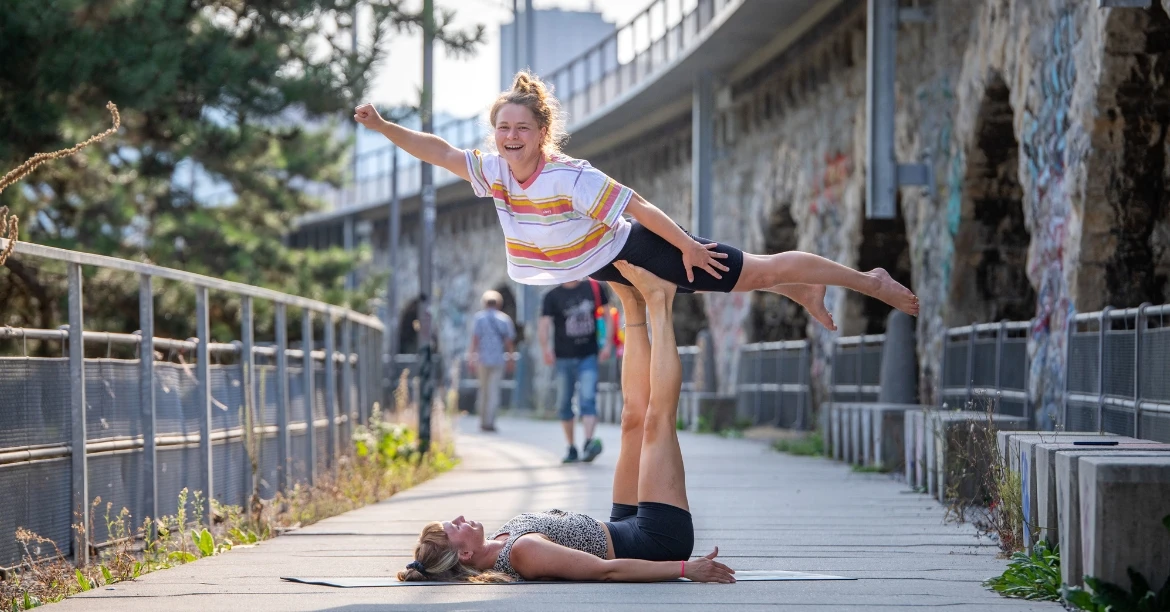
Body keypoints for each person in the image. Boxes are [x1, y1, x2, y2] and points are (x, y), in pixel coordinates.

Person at [351, 71, 919, 333]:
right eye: (502, 128)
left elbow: (641, 208)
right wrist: (383, 127)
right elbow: (440, 150)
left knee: (754, 270)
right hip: (602, 264)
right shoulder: (494, 172)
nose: (509, 137)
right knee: (751, 277)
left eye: (521, 128)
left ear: (541, 130)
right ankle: (802, 289)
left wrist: (689, 248)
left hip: (642, 250)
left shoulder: (569, 177)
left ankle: (868, 281)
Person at [396, 263, 735, 583]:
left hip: (623, 525)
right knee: (656, 421)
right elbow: (606, 571)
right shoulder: (522, 554)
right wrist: (684, 569)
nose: (459, 518)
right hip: (656, 540)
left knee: (632, 417)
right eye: (454, 528)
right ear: (466, 553)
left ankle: (632, 302)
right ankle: (659, 301)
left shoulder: (501, 541)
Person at [540, 279, 610, 463]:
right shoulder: (551, 295)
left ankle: (588, 443)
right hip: (563, 357)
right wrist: (545, 348)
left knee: (588, 398)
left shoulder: (593, 287)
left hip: (589, 354)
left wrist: (608, 344)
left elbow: (608, 315)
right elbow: (545, 323)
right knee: (564, 402)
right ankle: (571, 447)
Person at [468, 290, 516, 432]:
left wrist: (471, 357)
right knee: (494, 391)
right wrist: (511, 359)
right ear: (499, 304)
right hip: (497, 359)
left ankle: (482, 421)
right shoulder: (504, 319)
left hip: (482, 359)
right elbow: (509, 342)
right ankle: (490, 422)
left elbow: (474, 340)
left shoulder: (479, 318)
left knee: (483, 391)